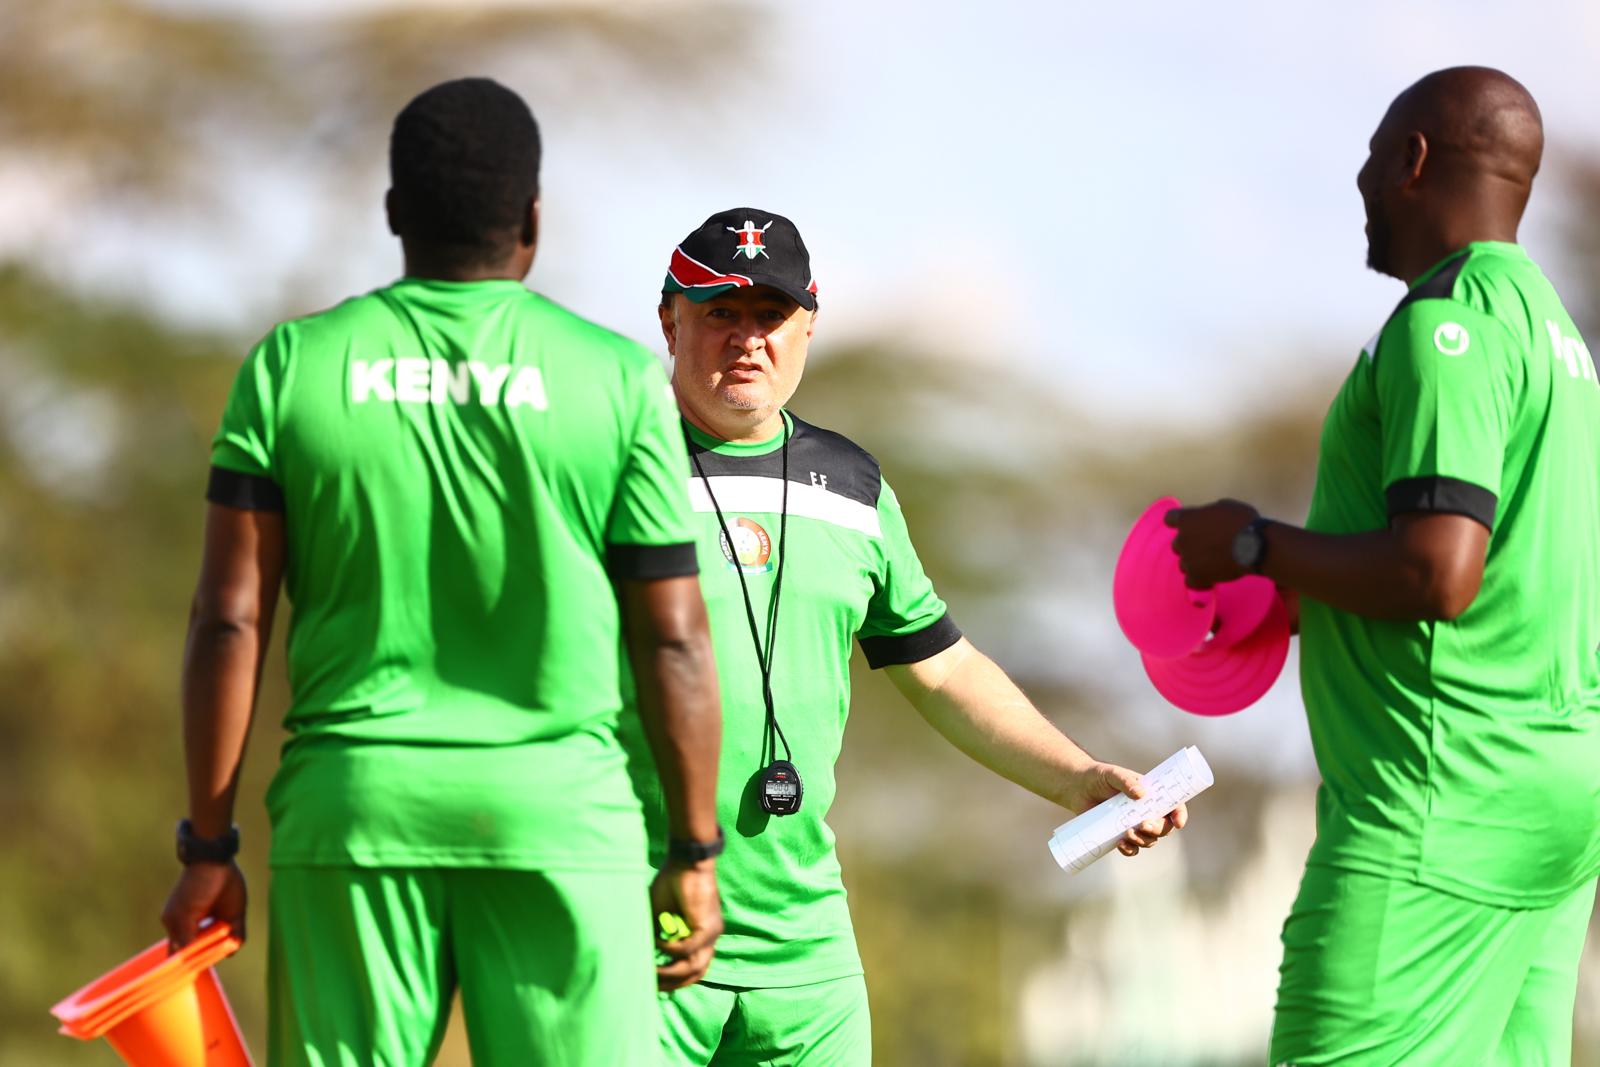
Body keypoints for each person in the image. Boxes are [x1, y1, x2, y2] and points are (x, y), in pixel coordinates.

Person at [158, 78, 726, 1066]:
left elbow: (227, 619)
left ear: (393, 213)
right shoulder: (620, 379)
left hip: (355, 811)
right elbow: (673, 635)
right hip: (561, 816)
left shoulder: (291, 366)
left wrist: (209, 846)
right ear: (532, 219)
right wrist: (693, 850)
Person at [621, 207, 1187, 1066]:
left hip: (805, 949)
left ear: (807, 328)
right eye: (720, 312)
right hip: (640, 921)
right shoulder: (612, 463)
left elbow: (944, 670)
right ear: (671, 321)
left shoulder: (853, 488)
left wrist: (1077, 777)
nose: (748, 339)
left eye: (771, 315)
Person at [1166, 67, 1600, 1065]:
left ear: (1411, 160)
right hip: (1553, 805)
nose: (1359, 184)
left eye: (1369, 157)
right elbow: (1504, 580)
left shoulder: (1444, 328)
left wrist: (1252, 541)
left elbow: (1437, 572)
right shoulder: (1559, 338)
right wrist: (1296, 589)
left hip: (1437, 804)